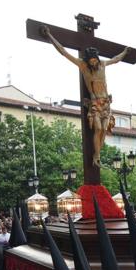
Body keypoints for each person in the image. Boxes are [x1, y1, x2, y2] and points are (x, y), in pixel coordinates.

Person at [41, 25, 129, 167]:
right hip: (95, 103)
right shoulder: (82, 66)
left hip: (106, 103)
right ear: (87, 60)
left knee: (104, 130)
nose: (94, 62)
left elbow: (116, 59)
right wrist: (50, 36)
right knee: (98, 129)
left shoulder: (103, 64)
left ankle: (97, 155)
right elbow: (63, 52)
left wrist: (125, 52)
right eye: (91, 61)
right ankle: (97, 155)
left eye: (95, 60)